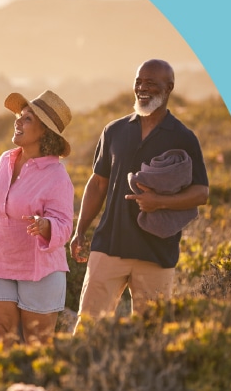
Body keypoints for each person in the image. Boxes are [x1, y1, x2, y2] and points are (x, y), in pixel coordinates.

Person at [69, 59, 209, 331]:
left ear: (169, 88)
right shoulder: (114, 130)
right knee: (88, 332)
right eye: (138, 81)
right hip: (109, 246)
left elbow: (201, 193)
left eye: (151, 83)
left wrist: (160, 203)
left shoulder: (183, 137)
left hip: (156, 251)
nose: (142, 88)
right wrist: (80, 230)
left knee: (151, 336)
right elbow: (98, 184)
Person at [0, 90, 75, 370]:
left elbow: (65, 225)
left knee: (37, 345)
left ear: (45, 132)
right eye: (19, 117)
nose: (18, 123)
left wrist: (46, 226)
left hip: (38, 268)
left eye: (27, 119)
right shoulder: (5, 160)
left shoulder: (57, 175)